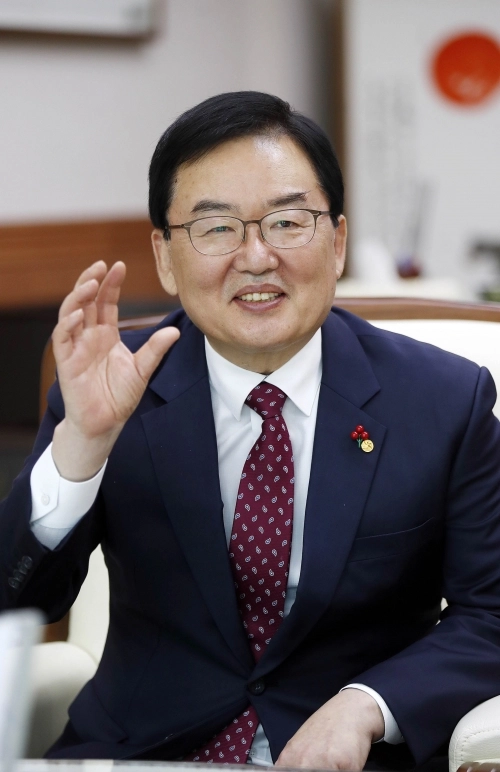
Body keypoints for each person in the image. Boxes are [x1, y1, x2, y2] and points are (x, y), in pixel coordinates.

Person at [1, 91, 500, 771]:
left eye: (288, 222)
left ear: (338, 242)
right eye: (216, 228)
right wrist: (82, 449)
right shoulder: (116, 386)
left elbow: (490, 614)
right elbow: (17, 604)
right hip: (141, 756)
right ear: (166, 257)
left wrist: (366, 706)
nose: (257, 257)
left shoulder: (443, 400)